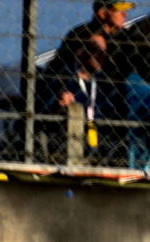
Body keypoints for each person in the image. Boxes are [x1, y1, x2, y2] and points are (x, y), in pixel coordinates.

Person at [36, 32, 113, 163]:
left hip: (97, 146)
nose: (102, 56)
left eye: (105, 52)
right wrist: (57, 104)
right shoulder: (59, 78)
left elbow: (110, 113)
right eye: (96, 51)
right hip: (64, 144)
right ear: (80, 51)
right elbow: (41, 108)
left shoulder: (104, 84)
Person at [52, 0, 133, 78]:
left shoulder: (125, 36)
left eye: (125, 10)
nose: (124, 14)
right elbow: (59, 65)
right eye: (119, 10)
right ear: (103, 13)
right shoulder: (82, 35)